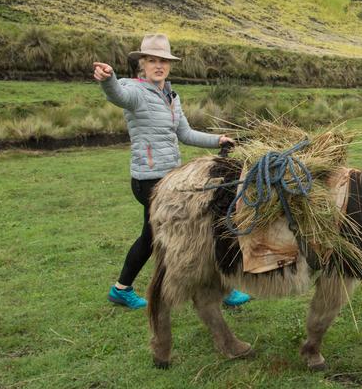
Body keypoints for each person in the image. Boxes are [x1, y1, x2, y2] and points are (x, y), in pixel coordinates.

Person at [93, 34, 251, 310]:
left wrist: (217, 140)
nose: (158, 66)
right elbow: (118, 94)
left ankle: (122, 289)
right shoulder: (135, 92)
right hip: (149, 180)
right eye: (152, 60)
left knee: (152, 235)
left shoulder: (171, 95)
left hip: (170, 179)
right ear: (142, 64)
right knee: (202, 224)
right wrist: (108, 79)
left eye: (163, 61)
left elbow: (185, 133)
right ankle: (218, 290)